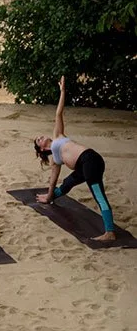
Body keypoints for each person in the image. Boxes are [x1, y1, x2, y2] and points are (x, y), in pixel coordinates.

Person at [34, 76, 115, 241]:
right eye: (38, 140)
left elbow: (59, 112)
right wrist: (49, 196)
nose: (41, 136)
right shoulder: (54, 160)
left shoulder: (58, 136)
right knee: (68, 183)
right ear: (42, 148)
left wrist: (62, 91)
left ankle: (110, 232)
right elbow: (53, 180)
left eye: (40, 136)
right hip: (82, 167)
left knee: (99, 195)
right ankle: (52, 197)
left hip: (89, 160)